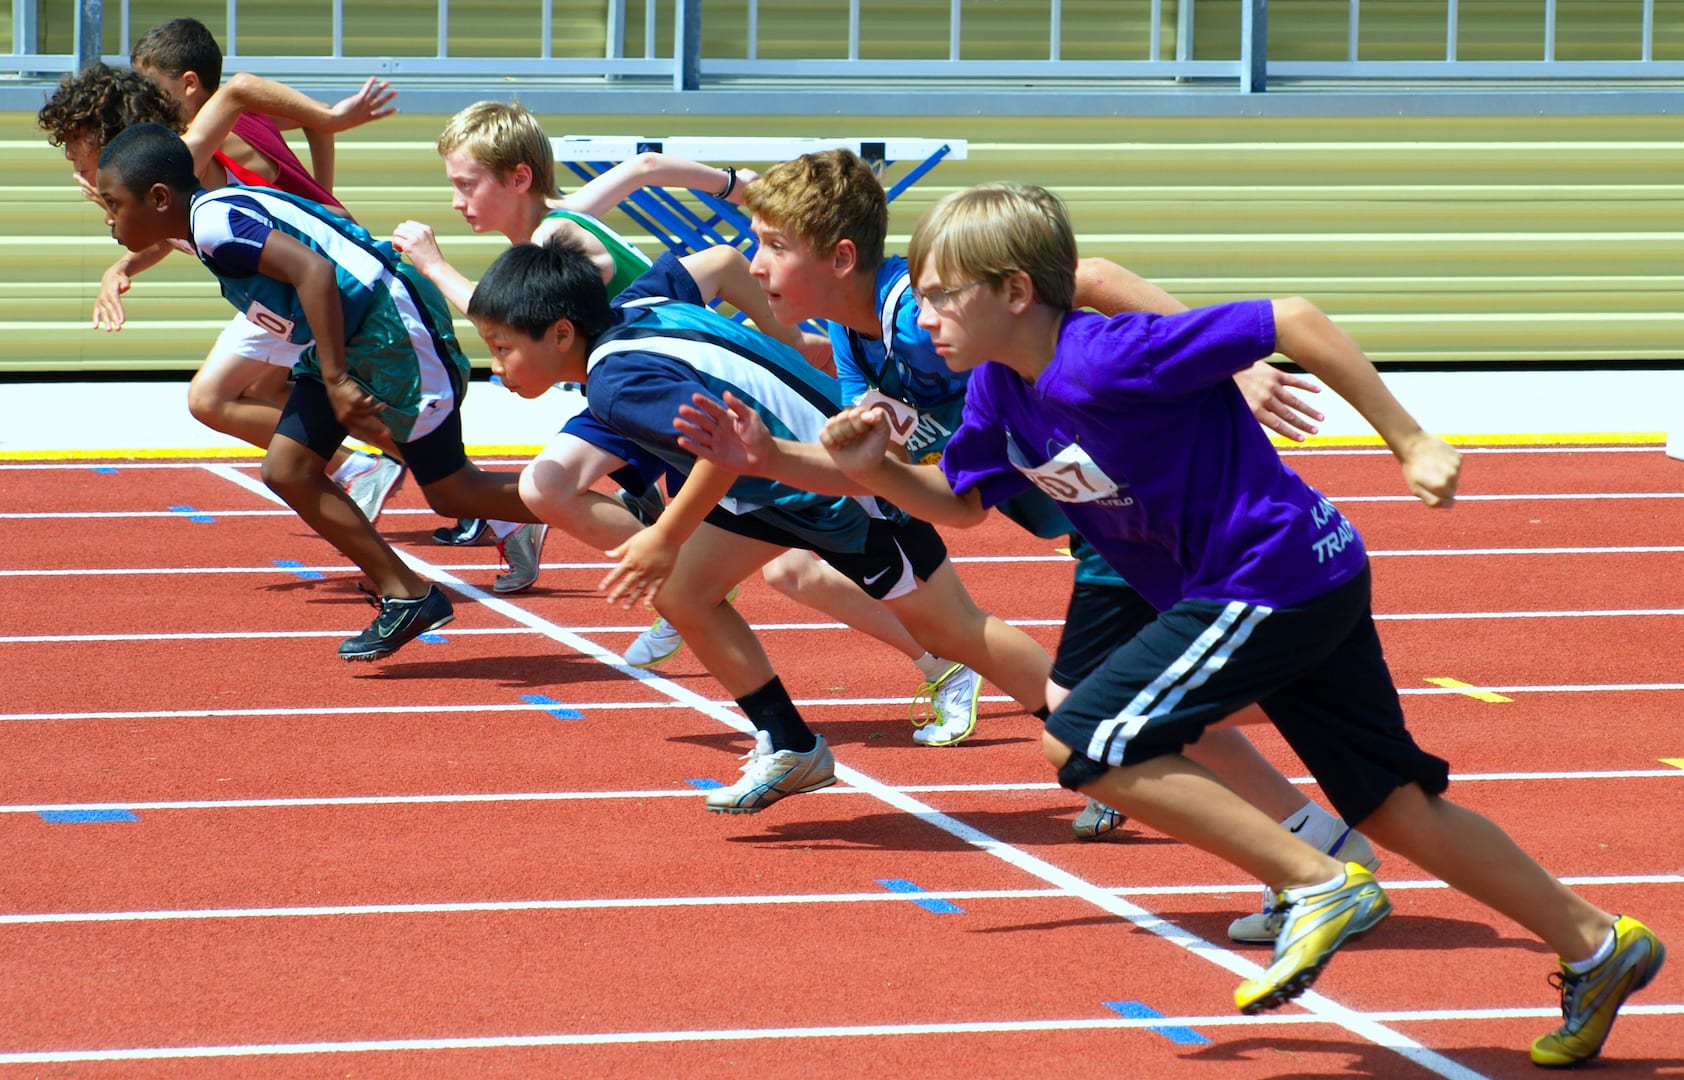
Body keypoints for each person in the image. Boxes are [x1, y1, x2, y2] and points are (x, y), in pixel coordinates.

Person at [808, 181, 1663, 1063]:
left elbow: (1293, 317)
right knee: (1398, 808)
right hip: (1308, 571)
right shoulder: (998, 390)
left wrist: (1409, 440)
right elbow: (959, 505)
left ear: (1017, 291)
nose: (927, 315)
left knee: (1084, 740)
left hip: (1269, 577)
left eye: (945, 294)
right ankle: (1599, 943)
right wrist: (879, 471)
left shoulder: (1108, 355)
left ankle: (1316, 881)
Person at [732, 147, 1373, 921]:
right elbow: (877, 468)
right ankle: (1311, 839)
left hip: (1123, 513)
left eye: (770, 243)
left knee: (1092, 710)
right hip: (1103, 516)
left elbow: (1093, 275)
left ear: (839, 257)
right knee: (1100, 709)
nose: (751, 263)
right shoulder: (851, 339)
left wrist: (1229, 362)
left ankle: (1308, 841)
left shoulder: (915, 311)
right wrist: (772, 457)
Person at [395, 102, 986, 731]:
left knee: (791, 567)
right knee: (549, 486)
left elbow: (716, 271)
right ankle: (681, 563)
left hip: (654, 385)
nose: (457, 201)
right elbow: (649, 172)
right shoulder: (553, 233)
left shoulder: (555, 245)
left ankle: (943, 661)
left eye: (465, 184)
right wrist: (731, 186)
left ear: (517, 179)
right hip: (618, 389)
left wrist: (786, 338)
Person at [465, 236, 1055, 809]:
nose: (497, 367)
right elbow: (718, 265)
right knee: (685, 594)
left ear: (562, 332)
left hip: (841, 491)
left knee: (957, 632)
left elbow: (719, 453)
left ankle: (1108, 741)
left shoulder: (617, 385)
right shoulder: (641, 304)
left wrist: (662, 538)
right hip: (773, 491)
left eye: (502, 347)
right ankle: (791, 745)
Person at [94, 123, 551, 659]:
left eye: (112, 204)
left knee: (451, 492)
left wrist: (335, 378)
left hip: (392, 329)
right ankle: (407, 593)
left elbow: (315, 273)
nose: (108, 220)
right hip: (346, 337)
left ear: (158, 198)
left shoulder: (216, 224)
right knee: (287, 468)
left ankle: (592, 505)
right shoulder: (202, 222)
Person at [37, 29, 414, 530]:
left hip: (314, 280)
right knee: (234, 399)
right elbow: (179, 234)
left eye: (73, 143)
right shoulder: (142, 178)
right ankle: (383, 468)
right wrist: (121, 263)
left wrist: (331, 124)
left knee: (265, 400)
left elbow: (238, 90)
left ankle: (431, 478)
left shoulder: (185, 149)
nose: (68, 156)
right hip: (273, 292)